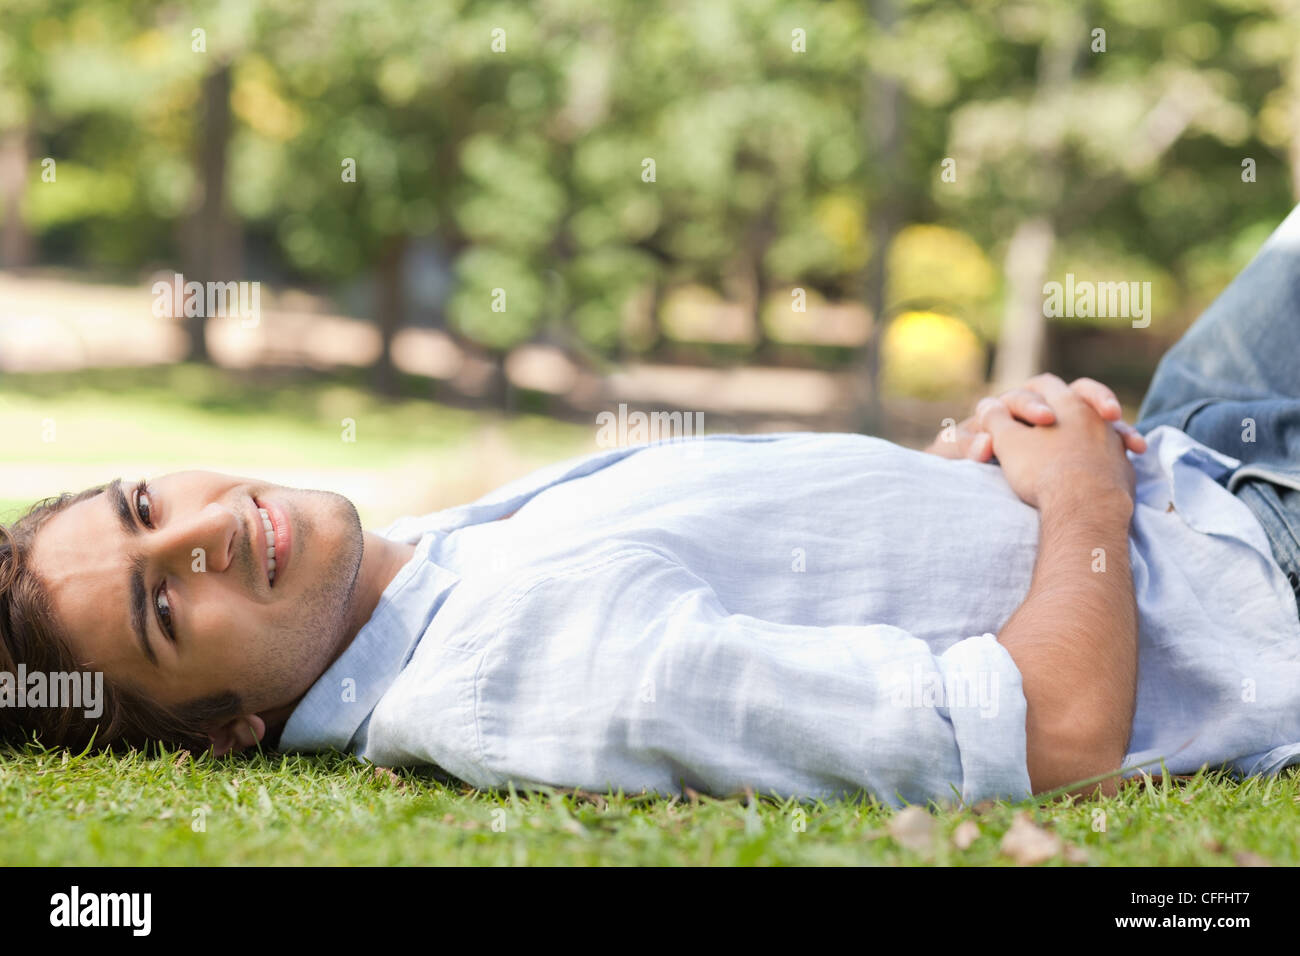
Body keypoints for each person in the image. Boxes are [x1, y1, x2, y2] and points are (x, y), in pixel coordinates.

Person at [4, 207, 1300, 809]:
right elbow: (1048, 740)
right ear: (226, 733)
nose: (198, 532)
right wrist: (1075, 502)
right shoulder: (522, 676)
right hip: (1264, 561)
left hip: (1191, 447)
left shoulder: (421, 576)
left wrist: (981, 458)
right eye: (162, 605)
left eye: (139, 506)